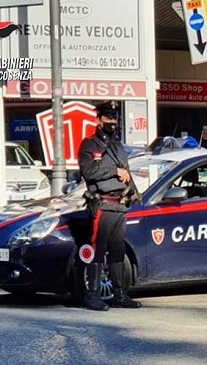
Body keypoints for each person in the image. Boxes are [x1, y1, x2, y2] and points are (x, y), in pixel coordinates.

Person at [77, 101, 141, 311]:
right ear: (98, 120)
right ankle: (93, 296)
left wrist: (135, 192)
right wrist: (114, 170)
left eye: (114, 118)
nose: (112, 122)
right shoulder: (89, 144)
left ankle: (119, 294)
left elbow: (127, 172)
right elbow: (89, 172)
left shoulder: (118, 146)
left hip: (120, 205)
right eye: (108, 118)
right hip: (102, 205)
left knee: (117, 251)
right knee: (97, 250)